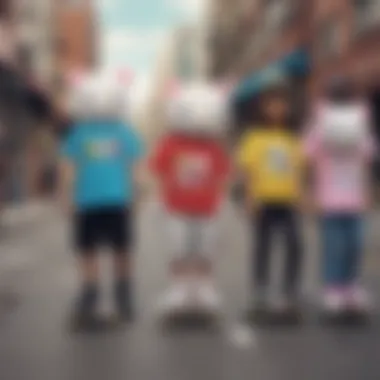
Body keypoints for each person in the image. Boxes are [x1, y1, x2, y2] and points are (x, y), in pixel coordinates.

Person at [59, 75, 144, 329]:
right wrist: (66, 196)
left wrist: (138, 194)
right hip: (87, 202)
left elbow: (135, 167)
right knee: (88, 251)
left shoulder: (124, 132)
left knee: (121, 250)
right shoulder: (79, 133)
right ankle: (90, 293)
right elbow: (68, 167)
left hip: (116, 200)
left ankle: (123, 295)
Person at [150, 82, 230, 316]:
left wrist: (221, 199)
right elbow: (159, 170)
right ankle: (179, 289)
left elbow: (222, 174)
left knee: (205, 249)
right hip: (177, 208)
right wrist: (160, 199)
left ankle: (204, 289)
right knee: (178, 249)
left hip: (207, 208)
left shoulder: (214, 147)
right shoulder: (170, 143)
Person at [303, 76, 375, 318]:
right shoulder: (321, 125)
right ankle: (334, 289)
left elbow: (367, 159)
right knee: (335, 247)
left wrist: (368, 193)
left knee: (355, 246)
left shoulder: (360, 125)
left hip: (354, 200)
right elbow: (309, 157)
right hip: (330, 200)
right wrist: (311, 194)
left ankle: (351, 287)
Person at [237, 83, 305, 320]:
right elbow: (248, 171)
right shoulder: (255, 137)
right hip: (263, 199)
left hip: (287, 199)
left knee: (295, 244)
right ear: (264, 109)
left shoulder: (291, 137)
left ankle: (288, 292)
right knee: (262, 246)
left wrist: (300, 195)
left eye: (281, 104)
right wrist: (249, 198)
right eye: (272, 104)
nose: (277, 109)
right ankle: (260, 291)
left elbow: (298, 168)